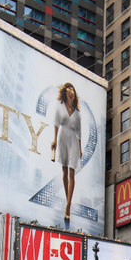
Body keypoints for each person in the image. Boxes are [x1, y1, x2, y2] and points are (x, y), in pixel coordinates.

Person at [50, 82, 82, 221]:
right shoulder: (60, 107)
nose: (71, 92)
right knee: (64, 170)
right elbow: (56, 124)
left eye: (72, 91)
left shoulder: (77, 114)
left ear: (74, 95)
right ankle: (67, 198)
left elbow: (79, 133)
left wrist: (80, 148)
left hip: (73, 141)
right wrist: (54, 140)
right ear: (66, 93)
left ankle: (68, 205)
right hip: (63, 137)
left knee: (71, 172)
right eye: (69, 90)